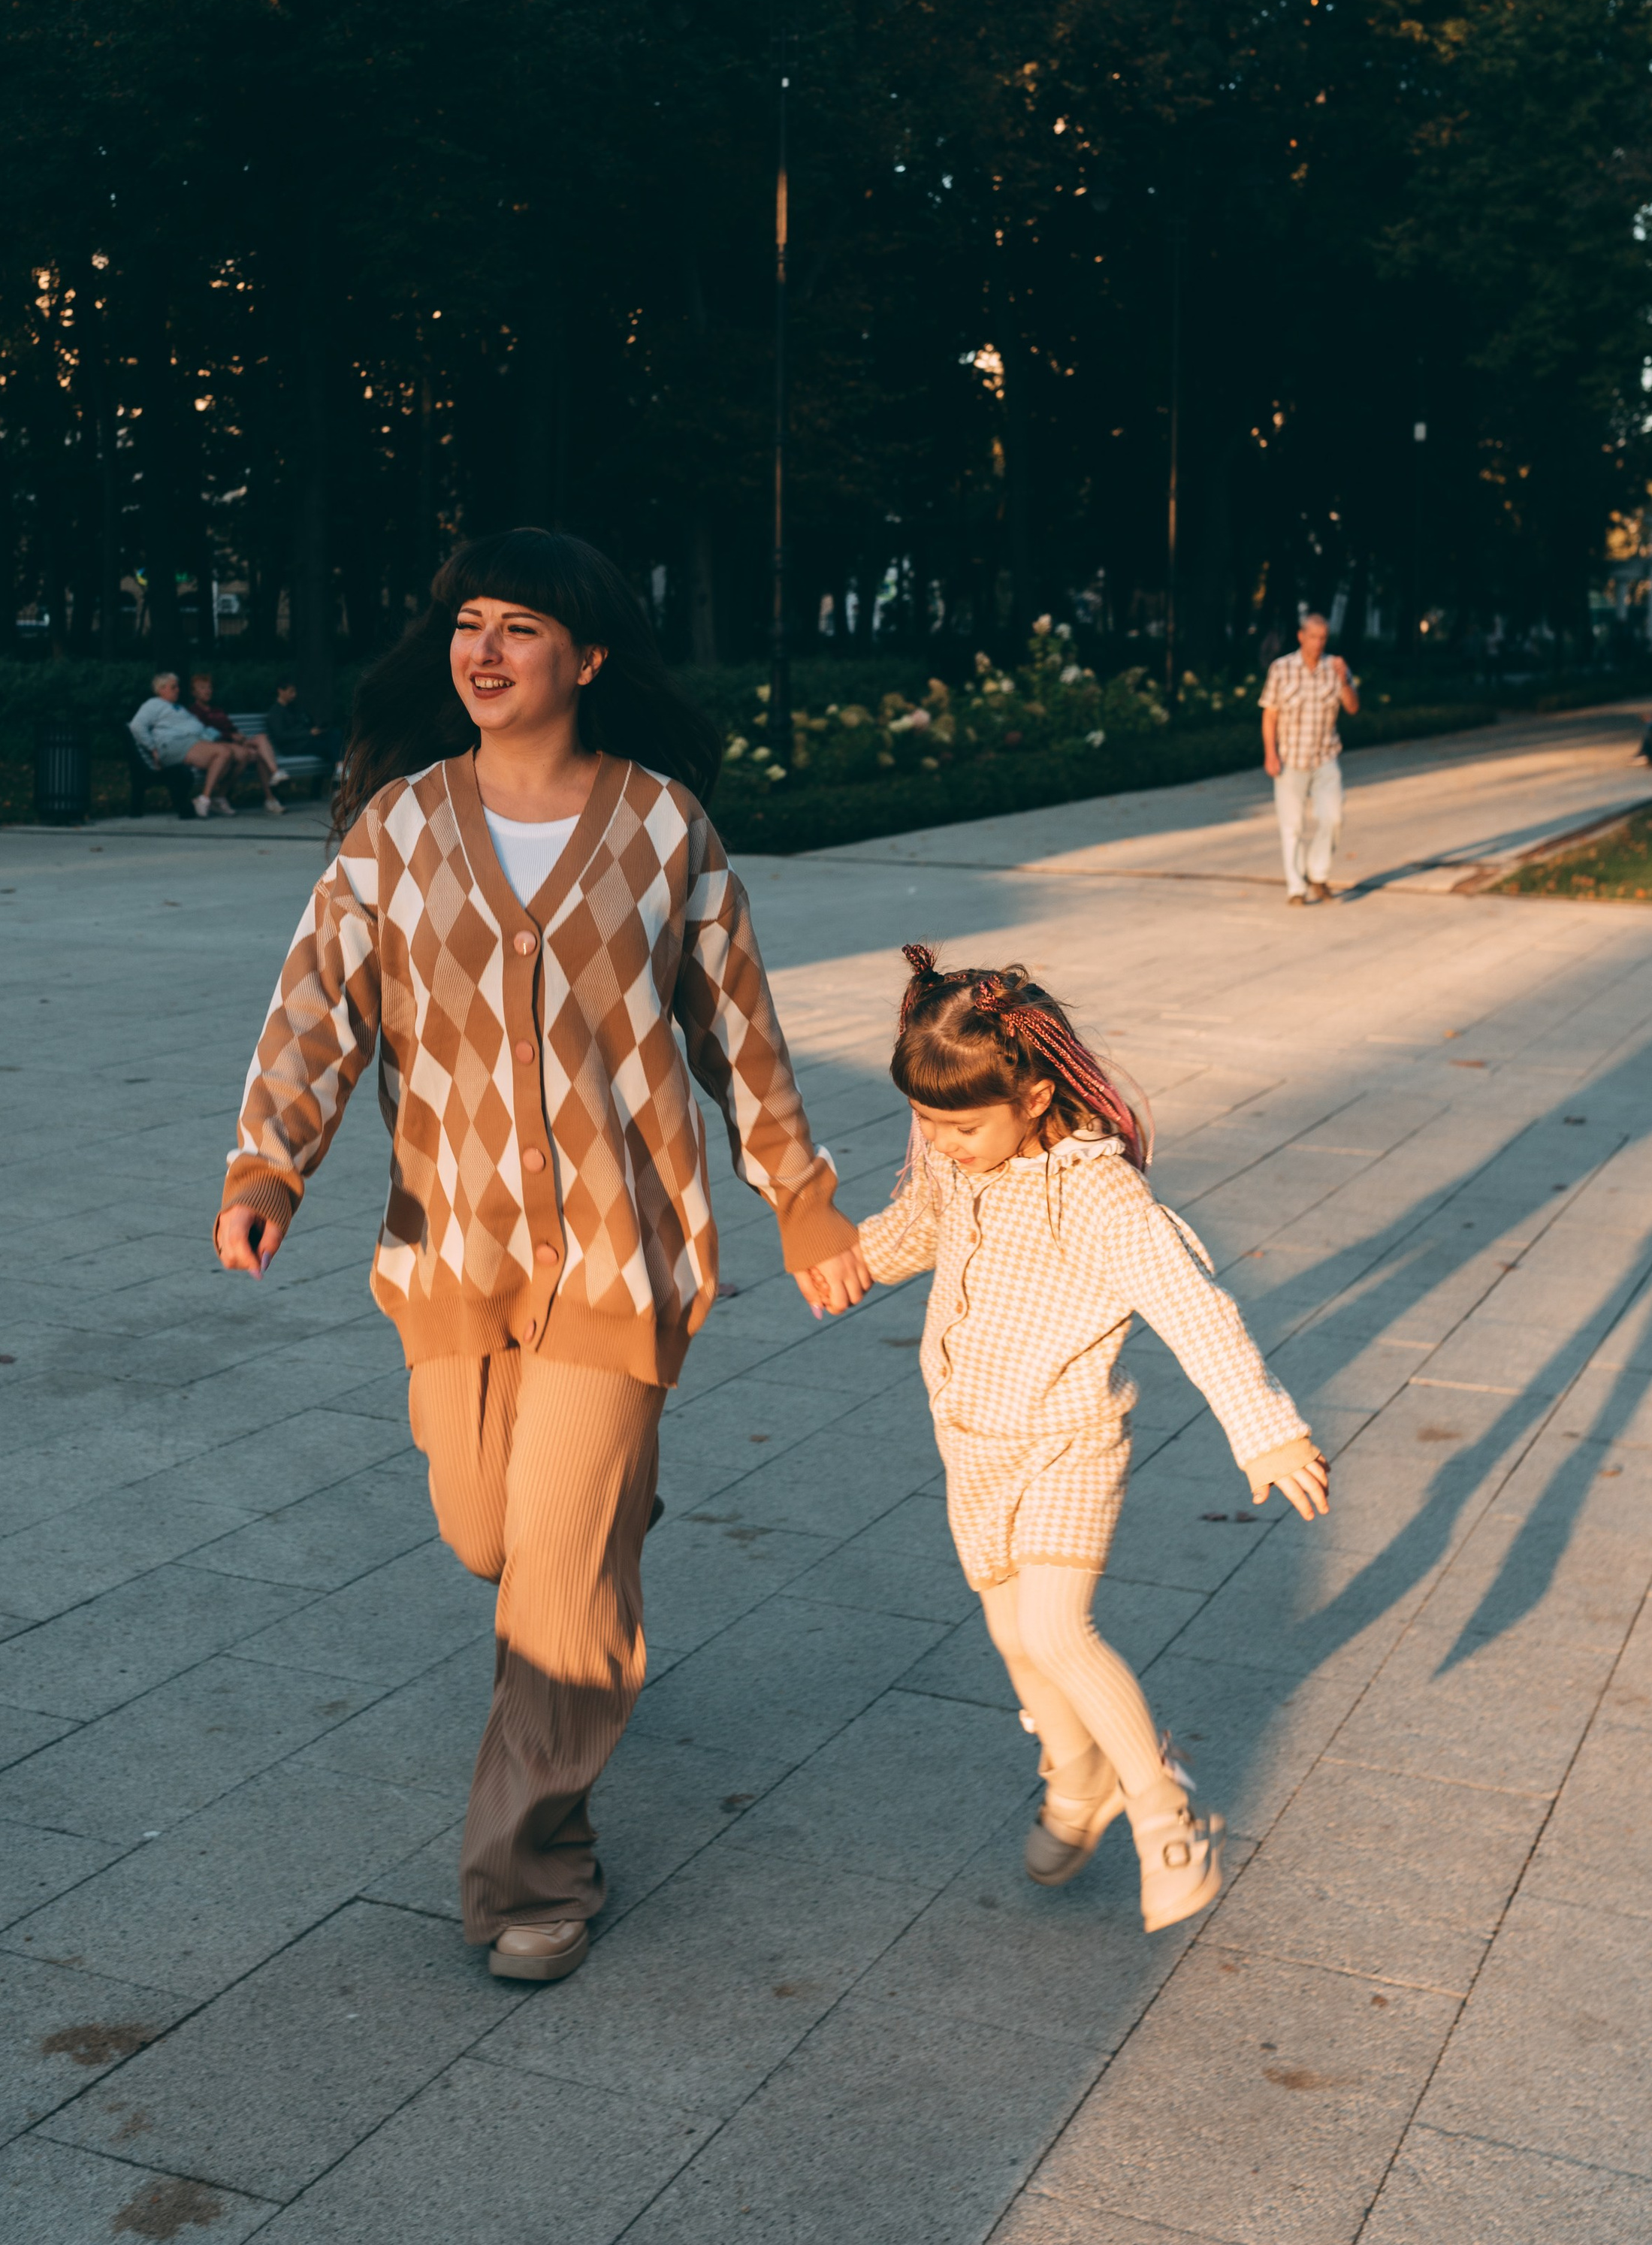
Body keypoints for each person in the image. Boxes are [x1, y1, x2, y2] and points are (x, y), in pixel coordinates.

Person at [213, 528, 859, 1984]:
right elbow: (317, 1009)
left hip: (624, 1264)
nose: (484, 651)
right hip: (450, 1257)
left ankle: (530, 1874)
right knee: (487, 1535)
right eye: (467, 625)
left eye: (519, 628)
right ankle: (595, 1515)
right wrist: (270, 1165)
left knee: (556, 1586)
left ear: (589, 657)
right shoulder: (392, 830)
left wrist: (799, 1194)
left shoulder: (661, 831)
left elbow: (737, 1035)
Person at [801, 950, 1328, 1933]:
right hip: (974, 1444)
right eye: (926, 1120)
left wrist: (1268, 1431)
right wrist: (842, 1262)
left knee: (1054, 1630)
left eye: (961, 1124)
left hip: (1066, 1442)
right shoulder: (959, 1167)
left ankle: (1162, 1809)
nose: (942, 1142)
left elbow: (1192, 1306)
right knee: (1012, 1635)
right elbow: (914, 1228)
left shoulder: (1094, 1191)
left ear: (1035, 1090)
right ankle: (1076, 1773)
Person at [1259, 610, 1358, 905]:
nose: (1318, 643)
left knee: (1334, 818)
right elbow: (1270, 714)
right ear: (1302, 637)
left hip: (1326, 758)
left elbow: (1352, 707)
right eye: (1313, 637)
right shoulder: (1282, 668)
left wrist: (1344, 680)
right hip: (1290, 759)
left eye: (1323, 638)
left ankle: (1318, 874)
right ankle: (1296, 888)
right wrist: (1270, 754)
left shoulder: (1336, 667)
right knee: (1292, 827)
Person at [128, 671, 237, 817]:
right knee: (224, 753)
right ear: (162, 689)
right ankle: (204, 799)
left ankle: (210, 799)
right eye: (173, 687)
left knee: (235, 754)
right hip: (173, 746)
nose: (178, 690)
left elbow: (195, 727)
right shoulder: (154, 704)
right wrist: (152, 748)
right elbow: (136, 726)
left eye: (177, 686)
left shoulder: (177, 707)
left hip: (191, 743)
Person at [188, 669, 288, 814]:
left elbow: (230, 727)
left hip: (235, 742)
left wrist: (238, 735)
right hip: (219, 747)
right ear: (194, 692)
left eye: (209, 687)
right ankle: (269, 798)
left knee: (261, 738)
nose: (208, 691)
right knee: (255, 754)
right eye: (202, 688)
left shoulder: (217, 710)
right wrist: (230, 736)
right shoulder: (194, 712)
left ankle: (276, 776)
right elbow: (204, 734)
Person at [270, 675, 343, 782]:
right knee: (331, 747)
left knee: (335, 734)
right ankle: (340, 775)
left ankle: (340, 770)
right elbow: (281, 736)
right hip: (294, 746)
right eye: (291, 692)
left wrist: (315, 729)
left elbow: (305, 723)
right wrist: (309, 733)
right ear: (281, 691)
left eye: (294, 691)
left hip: (307, 741)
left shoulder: (294, 707)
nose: (294, 695)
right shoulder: (276, 712)